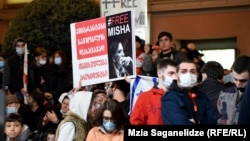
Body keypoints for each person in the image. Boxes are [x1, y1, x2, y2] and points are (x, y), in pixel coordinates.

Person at [161, 59, 217, 125]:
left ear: (197, 75)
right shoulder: (170, 98)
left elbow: (214, 120)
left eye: (192, 72)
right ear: (176, 75)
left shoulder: (202, 96)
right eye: (184, 72)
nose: (188, 75)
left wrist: (196, 122)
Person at [130, 58, 177, 125]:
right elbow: (136, 122)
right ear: (159, 73)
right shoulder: (145, 97)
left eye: (176, 74)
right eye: (171, 73)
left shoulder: (181, 96)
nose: (175, 77)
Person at [217, 55, 250, 125]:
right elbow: (220, 117)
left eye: (243, 81)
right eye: (235, 79)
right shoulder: (224, 93)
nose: (238, 84)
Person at [3, 37, 27, 103]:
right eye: (18, 46)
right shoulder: (10, 60)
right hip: (13, 92)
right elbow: (6, 78)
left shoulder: (28, 59)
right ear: (15, 47)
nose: (20, 47)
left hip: (27, 92)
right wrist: (6, 90)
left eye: (22, 45)